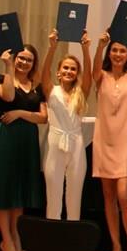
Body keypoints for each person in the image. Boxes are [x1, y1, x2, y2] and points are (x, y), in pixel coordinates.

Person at [0, 45, 47, 251]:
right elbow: (8, 96)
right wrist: (8, 67)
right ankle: (6, 240)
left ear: (34, 63)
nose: (24, 63)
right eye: (20, 58)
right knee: (5, 192)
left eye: (29, 60)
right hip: (7, 138)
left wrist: (20, 113)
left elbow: (43, 117)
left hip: (28, 141)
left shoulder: (37, 87)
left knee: (19, 193)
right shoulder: (1, 79)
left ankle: (15, 238)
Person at [92, 29, 127, 251]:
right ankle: (116, 247)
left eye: (122, 51)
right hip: (104, 141)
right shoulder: (101, 76)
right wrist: (99, 46)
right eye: (114, 50)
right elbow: (93, 71)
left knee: (124, 196)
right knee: (108, 196)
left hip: (126, 143)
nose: (117, 54)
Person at [39, 29, 92, 221]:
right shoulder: (51, 90)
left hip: (76, 143)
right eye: (66, 68)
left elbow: (89, 77)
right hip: (55, 143)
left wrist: (85, 49)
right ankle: (52, 231)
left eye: (73, 69)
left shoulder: (81, 93)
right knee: (53, 194)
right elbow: (44, 73)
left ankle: (72, 231)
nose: (69, 71)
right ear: (59, 72)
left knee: (75, 195)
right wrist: (52, 48)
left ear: (77, 73)